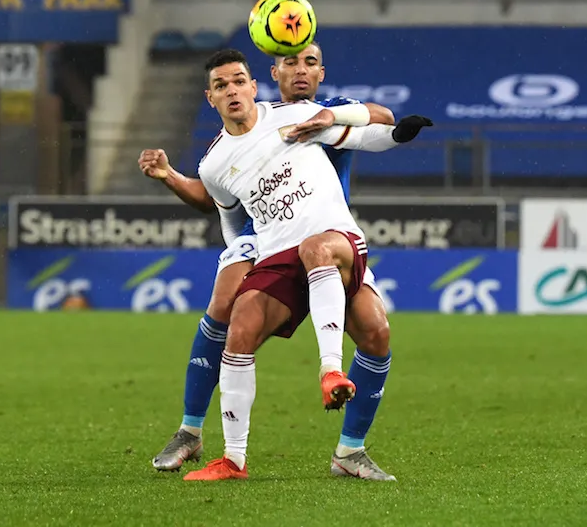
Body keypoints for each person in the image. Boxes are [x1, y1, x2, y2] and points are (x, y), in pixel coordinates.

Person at [148, 48, 431, 481]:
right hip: (273, 245)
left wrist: (395, 134)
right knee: (236, 317)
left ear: (254, 84)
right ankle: (222, 452)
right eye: (222, 85)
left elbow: (371, 129)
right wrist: (240, 255)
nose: (232, 90)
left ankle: (339, 406)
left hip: (330, 236)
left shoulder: (303, 115)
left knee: (374, 328)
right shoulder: (215, 162)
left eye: (238, 81)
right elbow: (222, 209)